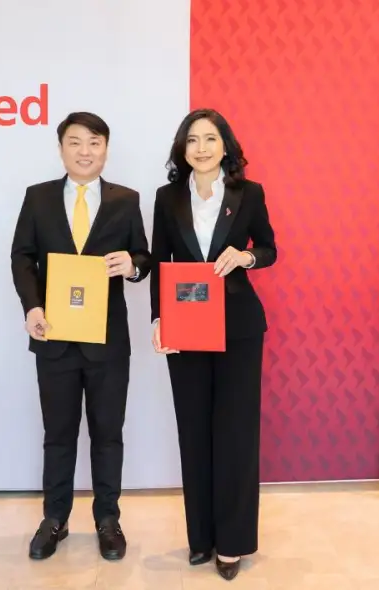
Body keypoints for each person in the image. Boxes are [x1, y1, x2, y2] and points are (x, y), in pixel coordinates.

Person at [10, 112, 152, 561]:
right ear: (61, 149)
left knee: (108, 433)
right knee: (58, 434)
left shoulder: (125, 200)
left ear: (106, 149)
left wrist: (133, 266)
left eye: (94, 142)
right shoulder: (38, 197)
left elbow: (144, 256)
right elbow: (22, 257)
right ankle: (55, 518)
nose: (85, 151)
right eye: (75, 142)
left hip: (107, 340)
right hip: (53, 336)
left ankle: (108, 520)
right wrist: (32, 307)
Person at [149, 108, 277, 581]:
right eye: (192, 140)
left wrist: (245, 257)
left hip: (238, 327)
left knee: (236, 436)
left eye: (210, 139)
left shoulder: (249, 193)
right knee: (194, 432)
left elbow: (269, 249)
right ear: (182, 149)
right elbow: (160, 261)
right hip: (185, 326)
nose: (201, 148)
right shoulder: (167, 197)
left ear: (226, 146)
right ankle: (200, 538)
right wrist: (159, 319)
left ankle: (233, 543)